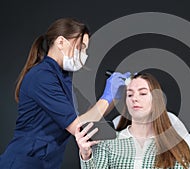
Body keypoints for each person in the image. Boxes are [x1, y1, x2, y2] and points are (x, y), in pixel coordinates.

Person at [0, 18, 130, 169]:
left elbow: (91, 116)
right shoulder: (42, 77)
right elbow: (80, 127)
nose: (84, 54)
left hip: (46, 163)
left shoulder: (64, 79)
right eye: (81, 47)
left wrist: (115, 95)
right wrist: (107, 95)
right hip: (22, 163)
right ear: (61, 42)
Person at [76, 73, 190, 169]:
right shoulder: (108, 143)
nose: (135, 99)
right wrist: (86, 155)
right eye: (130, 94)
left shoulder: (173, 149)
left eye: (143, 93)